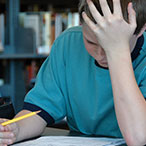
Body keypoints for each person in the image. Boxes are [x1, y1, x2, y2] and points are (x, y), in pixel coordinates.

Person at [0, 0, 146, 145]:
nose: (101, 54)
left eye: (111, 45)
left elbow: (138, 136)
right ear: (81, 24)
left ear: (141, 30)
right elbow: (38, 111)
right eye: (91, 42)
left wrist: (118, 53)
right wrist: (16, 129)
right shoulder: (68, 44)